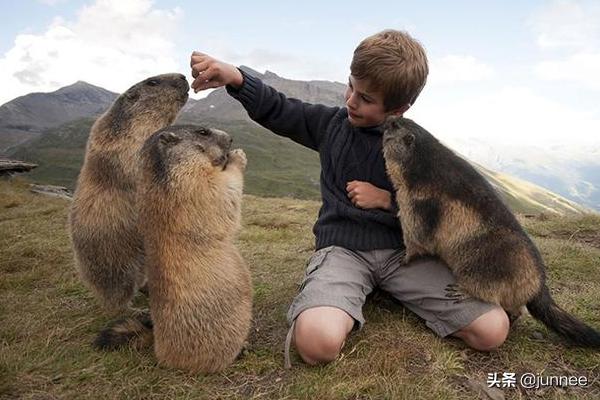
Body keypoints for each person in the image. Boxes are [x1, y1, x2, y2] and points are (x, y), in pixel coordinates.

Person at [189, 29, 509, 367]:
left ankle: (387, 290)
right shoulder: (331, 124)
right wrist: (236, 78)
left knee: (492, 330)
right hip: (343, 252)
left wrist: (388, 201)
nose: (351, 101)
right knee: (316, 344)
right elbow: (279, 109)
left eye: (366, 98)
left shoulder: (418, 148)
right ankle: (343, 291)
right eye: (351, 86)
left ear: (399, 108)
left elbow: (444, 212)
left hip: (405, 255)